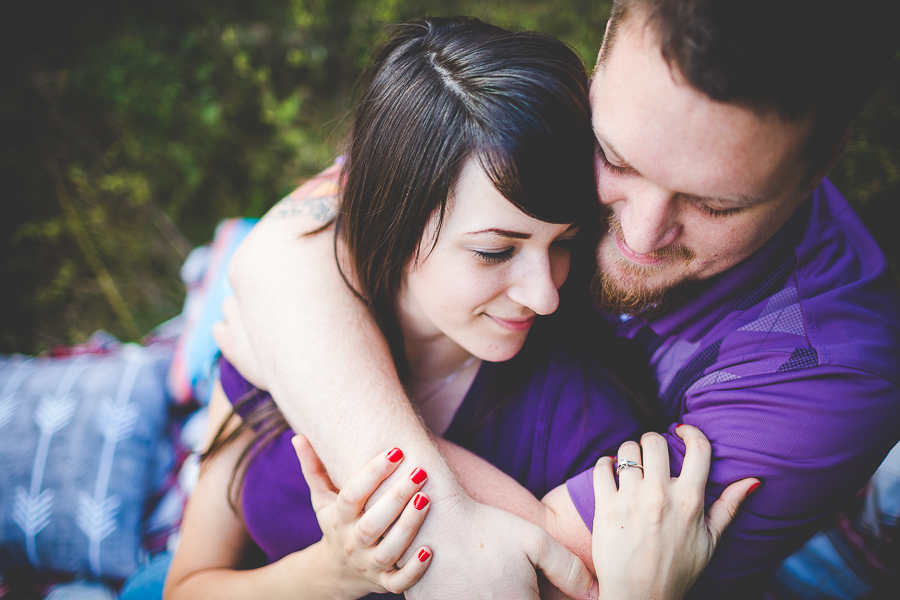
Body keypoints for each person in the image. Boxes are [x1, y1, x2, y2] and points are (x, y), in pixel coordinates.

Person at [222, 1, 900, 598]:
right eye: (617, 160)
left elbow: (534, 578)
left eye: (714, 205)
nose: (638, 234)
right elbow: (284, 250)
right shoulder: (575, 107)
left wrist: (297, 375)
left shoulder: (828, 372)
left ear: (821, 163)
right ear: (603, 57)